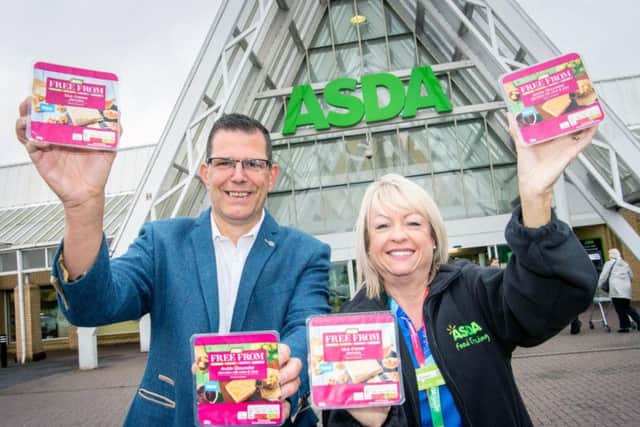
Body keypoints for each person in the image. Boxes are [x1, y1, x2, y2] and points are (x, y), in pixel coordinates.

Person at [15, 101, 330, 427]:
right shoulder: (161, 242)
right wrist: (83, 206)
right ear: (205, 173)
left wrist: (288, 365)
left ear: (271, 175)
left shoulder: (306, 253)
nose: (238, 176)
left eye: (252, 163)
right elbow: (94, 306)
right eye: (224, 163)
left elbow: (308, 330)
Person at [323, 116, 599, 427]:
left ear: (432, 236)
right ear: (368, 242)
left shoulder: (472, 290)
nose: (398, 235)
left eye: (413, 223)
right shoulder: (350, 327)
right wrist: (369, 422)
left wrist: (535, 198)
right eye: (383, 225)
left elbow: (551, 298)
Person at [599, 248, 639, 333]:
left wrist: (599, 285)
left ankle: (624, 327)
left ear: (611, 255)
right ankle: (637, 322)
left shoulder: (609, 264)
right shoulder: (625, 263)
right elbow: (631, 276)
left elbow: (603, 276)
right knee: (627, 307)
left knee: (619, 309)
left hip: (615, 289)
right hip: (626, 289)